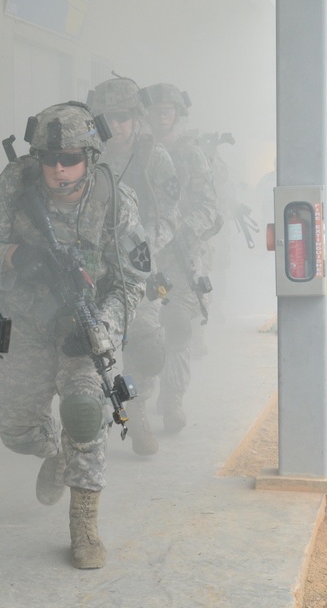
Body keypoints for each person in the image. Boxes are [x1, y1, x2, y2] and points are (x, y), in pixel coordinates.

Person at [0, 101, 149, 569]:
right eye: (49, 159)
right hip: (21, 321)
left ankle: (84, 528)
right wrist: (14, 258)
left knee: (85, 413)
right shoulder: (16, 184)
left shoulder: (114, 202)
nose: (58, 169)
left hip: (82, 326)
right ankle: (54, 454)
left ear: (90, 157)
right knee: (17, 430)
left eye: (70, 159)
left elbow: (133, 282)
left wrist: (103, 326)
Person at [87, 76, 179, 456]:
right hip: (91, 267)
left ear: (136, 117)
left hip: (138, 265)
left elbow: (168, 217)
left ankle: (138, 411)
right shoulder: (84, 155)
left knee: (145, 344)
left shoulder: (155, 157)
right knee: (91, 346)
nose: (117, 124)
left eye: (124, 116)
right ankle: (90, 426)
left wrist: (140, 247)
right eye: (109, 117)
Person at [143, 82, 222, 434]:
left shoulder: (191, 154)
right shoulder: (137, 152)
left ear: (177, 114)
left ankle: (172, 399)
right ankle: (138, 405)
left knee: (177, 325)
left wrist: (179, 230)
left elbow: (208, 206)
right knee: (143, 331)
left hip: (181, 255)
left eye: (166, 111)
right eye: (155, 110)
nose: (160, 117)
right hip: (143, 255)